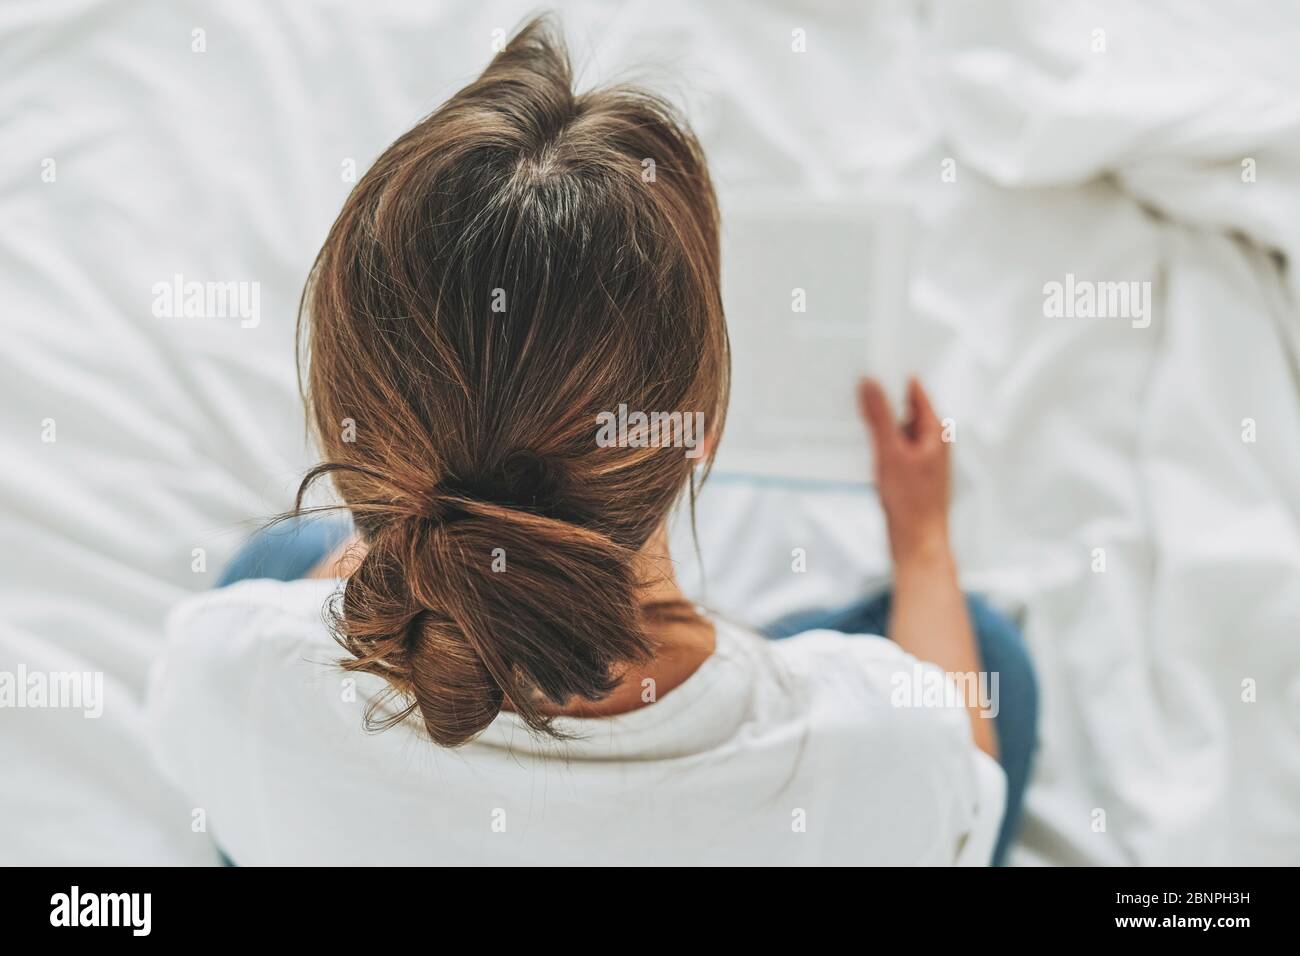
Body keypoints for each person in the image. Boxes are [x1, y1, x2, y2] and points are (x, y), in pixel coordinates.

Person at [148, 16, 1036, 866]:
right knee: (990, 657)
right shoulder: (881, 748)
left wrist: (411, 541)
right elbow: (951, 793)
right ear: (704, 435)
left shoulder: (224, 666)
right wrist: (922, 542)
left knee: (275, 559)